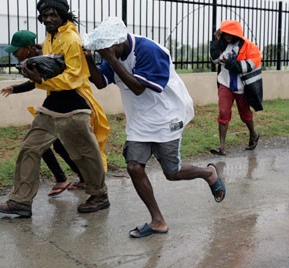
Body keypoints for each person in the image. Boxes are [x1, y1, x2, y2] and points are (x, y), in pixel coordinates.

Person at [83, 17, 226, 238]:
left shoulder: (148, 50)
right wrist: (89, 59)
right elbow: (101, 82)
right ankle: (158, 221)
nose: (104, 53)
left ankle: (209, 173)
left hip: (167, 115)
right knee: (134, 167)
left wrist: (111, 59)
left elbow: (138, 87)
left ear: (119, 42)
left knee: (172, 172)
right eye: (101, 50)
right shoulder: (114, 52)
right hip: (140, 120)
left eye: (107, 49)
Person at [0, 0, 110, 217]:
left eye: (52, 14)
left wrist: (40, 79)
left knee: (84, 153)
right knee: (30, 147)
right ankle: (21, 201)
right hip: (52, 104)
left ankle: (99, 195)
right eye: (44, 15)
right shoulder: (50, 38)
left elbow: (73, 77)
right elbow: (50, 68)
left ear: (63, 14)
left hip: (75, 104)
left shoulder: (72, 40)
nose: (48, 19)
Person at [1, 30, 82, 197]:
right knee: (52, 144)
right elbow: (36, 81)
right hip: (60, 102)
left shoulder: (41, 59)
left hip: (66, 103)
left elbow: (38, 81)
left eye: (17, 50)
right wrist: (14, 88)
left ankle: (71, 180)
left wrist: (16, 88)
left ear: (28, 48)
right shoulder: (41, 54)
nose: (15, 54)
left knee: (38, 142)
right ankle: (81, 179)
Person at [209, 20, 261, 156]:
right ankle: (221, 147)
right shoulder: (223, 45)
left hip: (242, 86)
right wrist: (215, 41)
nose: (227, 37)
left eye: (230, 34)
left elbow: (246, 67)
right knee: (223, 112)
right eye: (225, 34)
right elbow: (214, 59)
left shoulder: (251, 48)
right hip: (225, 83)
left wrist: (230, 62)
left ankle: (253, 135)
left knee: (245, 114)